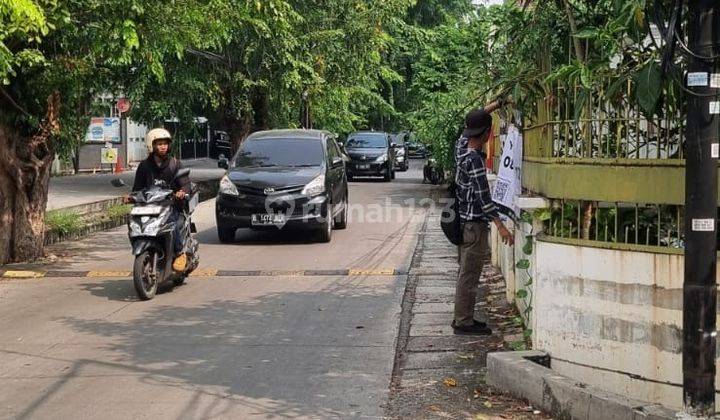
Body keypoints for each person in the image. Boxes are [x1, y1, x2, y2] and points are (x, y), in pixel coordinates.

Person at [452, 100, 514, 335]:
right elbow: (484, 199)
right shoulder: (475, 160)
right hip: (475, 227)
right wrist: (502, 227)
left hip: (464, 224)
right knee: (469, 274)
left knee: (465, 273)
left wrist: (494, 106)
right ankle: (463, 321)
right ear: (488, 134)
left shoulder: (461, 150)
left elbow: (469, 124)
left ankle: (462, 317)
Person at [127, 128, 191, 272]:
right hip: (149, 206)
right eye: (159, 144)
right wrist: (131, 197)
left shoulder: (175, 164)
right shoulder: (144, 166)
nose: (163, 146)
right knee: (132, 221)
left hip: (171, 205)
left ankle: (180, 253)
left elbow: (185, 183)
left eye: (165, 143)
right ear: (151, 145)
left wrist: (181, 192)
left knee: (172, 224)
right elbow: (137, 188)